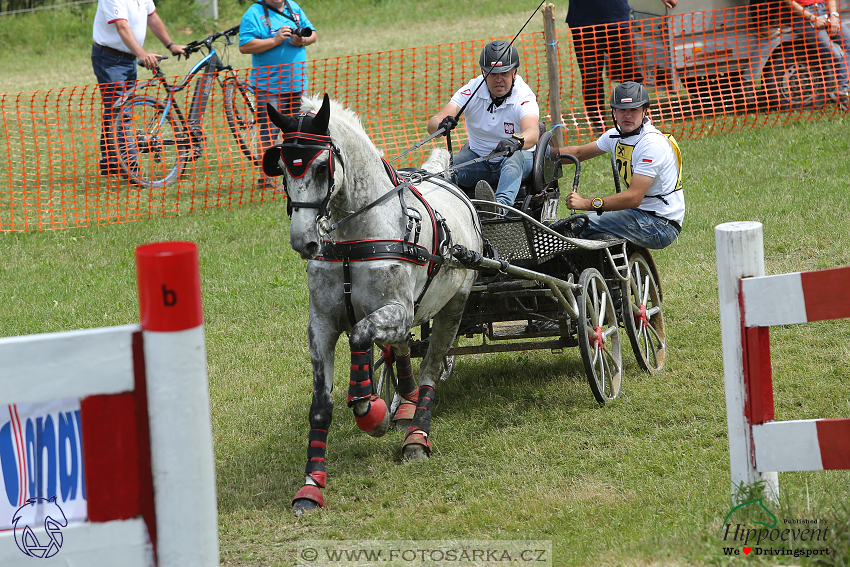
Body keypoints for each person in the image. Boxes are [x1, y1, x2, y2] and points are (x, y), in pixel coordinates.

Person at [554, 82, 684, 250]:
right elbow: (578, 153)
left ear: (645, 111)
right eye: (622, 110)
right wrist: (543, 154)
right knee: (576, 223)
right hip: (639, 213)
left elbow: (633, 197)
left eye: (634, 110)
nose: (627, 115)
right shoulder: (616, 135)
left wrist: (586, 203)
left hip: (661, 223)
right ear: (614, 111)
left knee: (580, 223)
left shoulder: (651, 144)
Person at [426, 40, 540, 211]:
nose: (499, 79)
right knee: (446, 166)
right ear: (483, 73)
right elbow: (432, 125)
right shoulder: (471, 90)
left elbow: (532, 132)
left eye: (504, 73)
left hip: (514, 160)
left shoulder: (524, 95)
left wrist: (517, 141)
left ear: (514, 73)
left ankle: (498, 209)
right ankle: (434, 208)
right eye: (493, 74)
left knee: (514, 159)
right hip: (478, 160)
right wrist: (442, 123)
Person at [91, 0, 186, 175]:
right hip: (109, 59)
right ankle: (131, 168)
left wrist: (171, 45)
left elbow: (152, 17)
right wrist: (142, 54)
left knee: (115, 109)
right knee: (121, 112)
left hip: (129, 58)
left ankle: (112, 161)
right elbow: (122, 27)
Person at [567, 0, 678, 134]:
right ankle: (599, 124)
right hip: (583, 20)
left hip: (617, 16)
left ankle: (636, 119)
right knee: (591, 77)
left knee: (632, 74)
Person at [239, 0, 317, 190]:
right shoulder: (253, 13)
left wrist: (302, 40)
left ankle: (297, 172)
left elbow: (313, 34)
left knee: (299, 130)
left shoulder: (294, 7)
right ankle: (266, 178)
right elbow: (245, 46)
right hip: (269, 87)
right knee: (268, 132)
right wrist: (275, 40)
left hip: (297, 84)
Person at [782, 0, 850, 110]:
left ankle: (841, 91)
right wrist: (812, 18)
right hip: (804, 16)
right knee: (835, 56)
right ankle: (841, 95)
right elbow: (788, 2)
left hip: (826, 11)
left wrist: (833, 16)